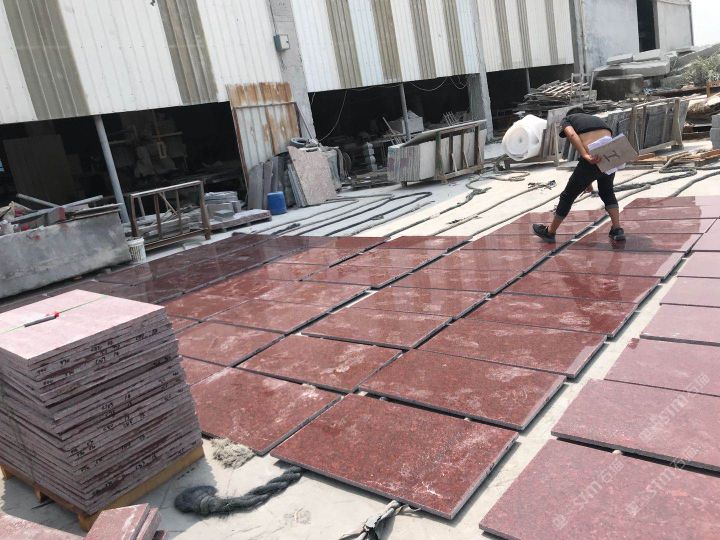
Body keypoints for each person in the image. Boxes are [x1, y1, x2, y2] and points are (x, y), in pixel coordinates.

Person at [532, 108, 625, 242]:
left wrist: (585, 155)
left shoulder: (568, 119)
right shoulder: (597, 120)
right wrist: (588, 182)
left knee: (567, 196)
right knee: (607, 192)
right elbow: (600, 143)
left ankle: (550, 232)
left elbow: (571, 135)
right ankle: (617, 229)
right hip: (611, 155)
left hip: (593, 157)